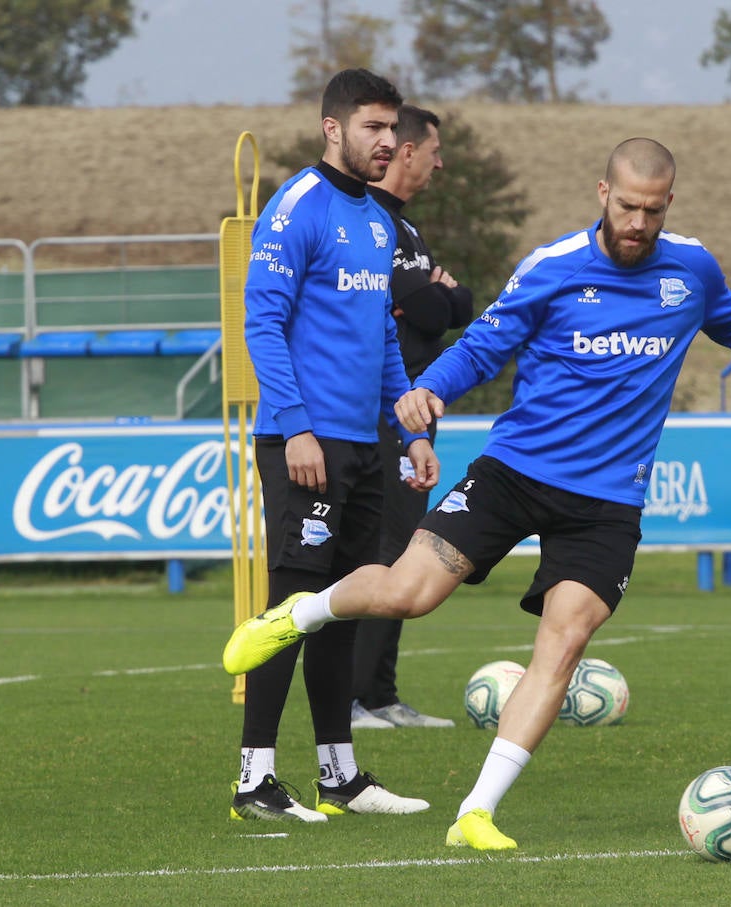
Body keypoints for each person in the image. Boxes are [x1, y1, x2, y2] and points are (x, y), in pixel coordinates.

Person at [224, 136, 731, 847]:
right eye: (628, 206)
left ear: (669, 203)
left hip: (606, 505)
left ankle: (476, 813)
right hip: (514, 476)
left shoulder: (692, 271)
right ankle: (299, 612)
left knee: (564, 640)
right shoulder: (553, 269)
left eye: (653, 210)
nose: (639, 223)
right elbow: (484, 342)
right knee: (407, 594)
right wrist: (430, 390)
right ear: (602, 194)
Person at [229, 68, 440, 822]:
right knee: (289, 608)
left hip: (363, 444)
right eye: (374, 128)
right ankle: (253, 779)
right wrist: (296, 426)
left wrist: (409, 428)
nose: (389, 142)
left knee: (339, 609)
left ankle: (338, 774)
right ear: (333, 128)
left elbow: (382, 335)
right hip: (304, 443)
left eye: (394, 130)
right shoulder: (297, 207)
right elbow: (263, 322)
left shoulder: (379, 220)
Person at [353, 105, 473, 730]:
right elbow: (429, 309)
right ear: (406, 152)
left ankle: (381, 695)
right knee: (383, 549)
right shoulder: (373, 223)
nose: (439, 162)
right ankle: (356, 698)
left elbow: (453, 305)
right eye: (433, 151)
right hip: (383, 413)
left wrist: (444, 295)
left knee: (403, 549)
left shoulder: (408, 227)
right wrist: (440, 294)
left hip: (417, 410)